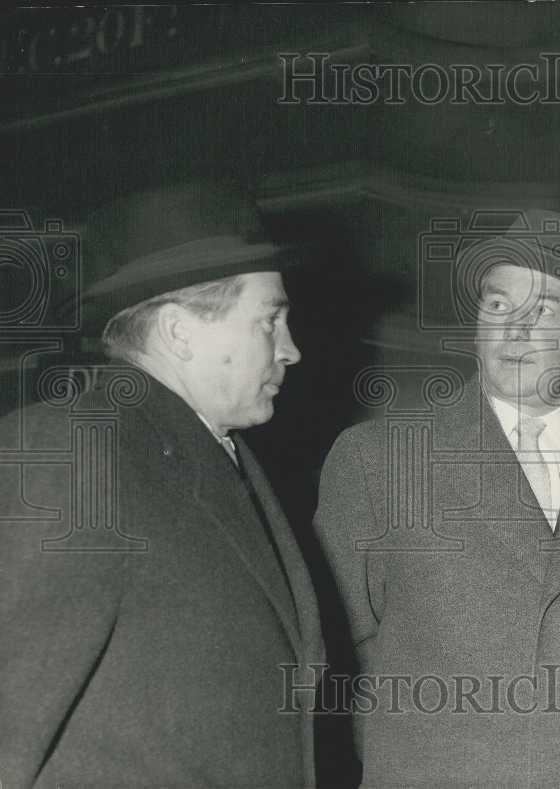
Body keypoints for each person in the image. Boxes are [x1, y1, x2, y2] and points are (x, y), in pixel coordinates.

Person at [314, 209, 560, 786]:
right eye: (497, 305)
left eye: (544, 309)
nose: (514, 330)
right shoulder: (377, 459)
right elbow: (342, 657)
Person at [0, 182, 325, 787]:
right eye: (270, 320)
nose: (292, 349)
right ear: (179, 333)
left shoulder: (220, 459)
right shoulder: (73, 451)